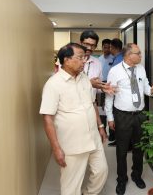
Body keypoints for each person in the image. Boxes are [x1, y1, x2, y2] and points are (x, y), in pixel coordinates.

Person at [40, 43, 108, 195]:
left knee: (101, 172)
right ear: (66, 60)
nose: (84, 61)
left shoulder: (84, 78)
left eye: (85, 57)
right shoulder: (53, 84)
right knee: (71, 185)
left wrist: (101, 127)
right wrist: (56, 148)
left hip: (93, 138)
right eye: (80, 57)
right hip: (73, 144)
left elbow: (92, 103)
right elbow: (47, 119)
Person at [105, 43, 153, 195]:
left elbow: (145, 88)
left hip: (140, 115)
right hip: (122, 115)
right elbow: (109, 96)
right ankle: (121, 179)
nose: (141, 56)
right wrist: (110, 118)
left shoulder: (141, 69)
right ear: (128, 55)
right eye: (138, 53)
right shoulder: (115, 71)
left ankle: (136, 175)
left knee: (139, 148)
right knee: (122, 150)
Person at [107, 38, 124, 145]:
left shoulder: (119, 60)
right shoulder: (118, 58)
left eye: (110, 47)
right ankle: (117, 139)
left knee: (117, 118)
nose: (109, 49)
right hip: (116, 91)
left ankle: (119, 140)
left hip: (117, 92)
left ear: (113, 48)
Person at [98, 39, 114, 133]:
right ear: (102, 47)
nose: (107, 49)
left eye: (108, 47)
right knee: (101, 109)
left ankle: (112, 132)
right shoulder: (99, 59)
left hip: (111, 85)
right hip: (101, 85)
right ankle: (103, 129)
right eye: (105, 47)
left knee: (110, 107)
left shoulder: (113, 58)